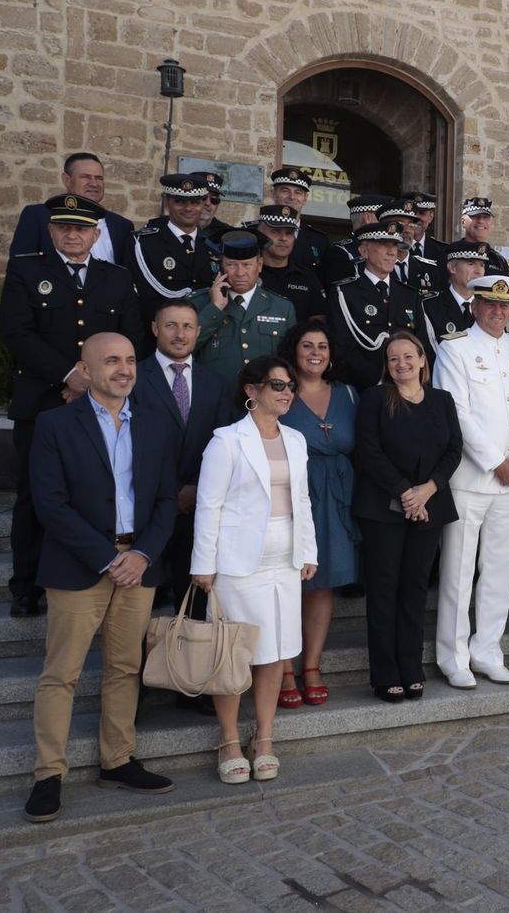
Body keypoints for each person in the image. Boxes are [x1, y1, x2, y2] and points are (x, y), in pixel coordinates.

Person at [22, 333, 178, 823]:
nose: (124, 369)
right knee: (61, 674)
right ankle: (48, 774)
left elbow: (167, 500)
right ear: (85, 369)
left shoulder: (154, 424)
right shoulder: (54, 424)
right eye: (111, 360)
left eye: (130, 360)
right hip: (79, 565)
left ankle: (118, 760)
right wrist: (106, 558)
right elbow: (49, 503)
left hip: (140, 563)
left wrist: (144, 553)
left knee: (125, 668)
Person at [3, 194, 145, 616]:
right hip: (43, 400)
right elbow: (16, 331)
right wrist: (70, 376)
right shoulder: (27, 270)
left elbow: (131, 335)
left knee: (92, 494)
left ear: (96, 235)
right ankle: (26, 585)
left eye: (81, 228)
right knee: (35, 495)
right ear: (51, 231)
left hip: (105, 406)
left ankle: (88, 573)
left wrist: (95, 384)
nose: (72, 234)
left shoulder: (116, 278)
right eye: (64, 227)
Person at [190, 356, 318, 783]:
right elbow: (208, 505)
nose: (286, 393)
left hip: (284, 563)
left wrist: (308, 551)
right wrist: (203, 566)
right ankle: (228, 739)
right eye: (277, 385)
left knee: (274, 653)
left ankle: (264, 738)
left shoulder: (296, 439)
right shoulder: (226, 441)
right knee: (234, 653)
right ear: (252, 390)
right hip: (236, 565)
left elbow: (302, 500)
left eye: (290, 387)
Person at [431, 275, 509, 688]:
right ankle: (453, 656)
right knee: (458, 571)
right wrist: (496, 461)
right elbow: (455, 411)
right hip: (472, 478)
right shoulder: (454, 347)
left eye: (505, 305)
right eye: (489, 304)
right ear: (474, 307)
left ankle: (487, 650)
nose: (498, 312)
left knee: (500, 570)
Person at [352, 332, 462, 701]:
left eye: (407, 357)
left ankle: (411, 668)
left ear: (421, 360)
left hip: (430, 505)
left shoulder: (442, 400)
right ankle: (385, 674)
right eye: (393, 359)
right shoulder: (375, 398)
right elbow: (369, 450)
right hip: (383, 507)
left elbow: (454, 449)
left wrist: (428, 489)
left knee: (415, 588)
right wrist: (405, 492)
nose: (401, 364)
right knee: (384, 589)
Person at [276, 320, 359, 709]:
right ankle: (283, 669)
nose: (315, 353)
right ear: (294, 350)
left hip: (337, 497)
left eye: (322, 346)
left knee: (322, 582)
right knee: (288, 582)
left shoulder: (348, 394)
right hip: (291, 496)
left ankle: (311, 665)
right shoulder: (280, 393)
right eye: (307, 345)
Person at [131, 302, 235, 616]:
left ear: (198, 331)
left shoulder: (215, 383)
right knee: (140, 609)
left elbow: (221, 443)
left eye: (188, 326)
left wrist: (194, 487)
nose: (180, 334)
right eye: (171, 325)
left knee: (192, 607)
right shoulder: (134, 378)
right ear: (154, 329)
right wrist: (169, 491)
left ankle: (186, 663)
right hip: (146, 508)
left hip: (198, 507)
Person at [191, 228, 297, 385]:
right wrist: (214, 309)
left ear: (259, 265)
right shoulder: (199, 303)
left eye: (247, 265)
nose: (240, 273)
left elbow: (291, 362)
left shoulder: (282, 308)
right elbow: (183, 347)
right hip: (214, 400)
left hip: (263, 401)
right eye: (231, 265)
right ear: (221, 266)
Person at [328, 222, 424, 386]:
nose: (392, 252)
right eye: (384, 245)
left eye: (395, 245)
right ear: (364, 251)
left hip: (405, 386)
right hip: (363, 387)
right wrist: (381, 380)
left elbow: (421, 345)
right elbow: (343, 348)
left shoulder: (409, 295)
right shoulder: (344, 293)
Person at [9, 153, 135, 268]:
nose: (94, 183)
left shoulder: (122, 226)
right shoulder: (38, 216)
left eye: (99, 178)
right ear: (67, 180)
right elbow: (21, 267)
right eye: (85, 177)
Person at [130, 174, 215, 323]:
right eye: (180, 202)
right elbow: (139, 299)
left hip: (204, 334)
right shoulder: (144, 244)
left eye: (195, 202)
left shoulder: (213, 246)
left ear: (202, 204)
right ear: (167, 202)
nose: (188, 208)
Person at [255, 205, 327, 322]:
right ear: (261, 234)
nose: (283, 238)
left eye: (289, 233)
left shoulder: (307, 278)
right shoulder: (248, 274)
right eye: (275, 231)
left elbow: (318, 324)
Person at [420, 242, 488, 347]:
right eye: (471, 263)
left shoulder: (489, 306)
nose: (479, 271)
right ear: (452, 268)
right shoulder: (430, 305)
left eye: (482, 265)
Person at [268, 167, 334, 273]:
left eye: (298, 192)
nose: (292, 197)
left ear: (305, 198)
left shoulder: (319, 240)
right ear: (273, 195)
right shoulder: (257, 232)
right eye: (285, 190)